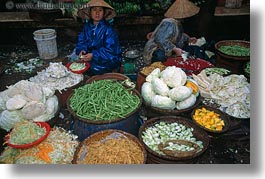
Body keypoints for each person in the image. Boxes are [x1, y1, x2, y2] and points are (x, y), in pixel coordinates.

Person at [71, 0, 122, 75]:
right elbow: (81, 41)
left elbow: (111, 50)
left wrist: (94, 55)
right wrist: (82, 50)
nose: (97, 13)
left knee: (94, 68)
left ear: (104, 13)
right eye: (94, 10)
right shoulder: (87, 27)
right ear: (90, 12)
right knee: (75, 60)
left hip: (106, 58)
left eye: (100, 10)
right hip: (90, 56)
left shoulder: (108, 29)